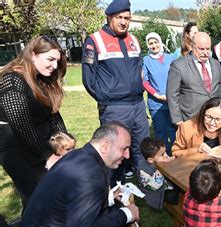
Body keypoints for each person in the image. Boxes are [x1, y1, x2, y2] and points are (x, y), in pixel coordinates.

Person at [16, 122, 144, 227]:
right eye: (124, 149)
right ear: (105, 146)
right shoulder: (91, 176)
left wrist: (110, 202)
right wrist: (127, 214)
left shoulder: (78, 156)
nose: (127, 155)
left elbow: (73, 200)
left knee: (116, 213)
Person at [82, 0, 149, 182]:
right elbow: (88, 79)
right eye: (119, 17)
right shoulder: (94, 40)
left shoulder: (134, 39)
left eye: (127, 18)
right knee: (114, 150)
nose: (123, 22)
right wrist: (105, 99)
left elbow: (139, 69)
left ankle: (146, 182)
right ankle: (114, 188)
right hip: (115, 107)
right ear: (109, 17)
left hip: (137, 104)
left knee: (142, 145)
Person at [0, 35, 68, 209]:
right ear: (33, 54)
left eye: (57, 61)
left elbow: (53, 115)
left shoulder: (41, 79)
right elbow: (21, 123)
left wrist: (65, 144)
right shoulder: (12, 79)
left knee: (53, 193)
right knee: (36, 198)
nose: (54, 66)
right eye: (50, 59)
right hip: (16, 147)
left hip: (38, 140)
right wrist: (47, 155)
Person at [167, 32, 221, 125]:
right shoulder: (178, 65)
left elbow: (219, 89)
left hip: (213, 121)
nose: (205, 53)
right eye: (201, 49)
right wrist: (177, 120)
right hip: (191, 119)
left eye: (208, 49)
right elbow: (172, 95)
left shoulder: (216, 64)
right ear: (192, 47)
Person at [142, 32, 176, 154]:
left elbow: (177, 76)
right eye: (150, 43)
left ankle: (175, 154)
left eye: (156, 42)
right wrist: (156, 95)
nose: (154, 45)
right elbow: (145, 82)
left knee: (173, 130)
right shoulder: (146, 60)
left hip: (172, 102)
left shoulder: (171, 58)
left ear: (160, 42)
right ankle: (162, 156)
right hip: (156, 103)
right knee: (160, 132)